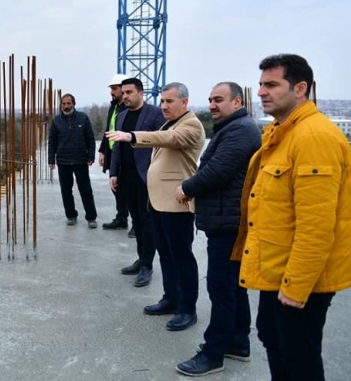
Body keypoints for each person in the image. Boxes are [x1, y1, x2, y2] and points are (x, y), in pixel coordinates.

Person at [231, 54, 351, 381]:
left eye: (271, 84)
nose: (261, 92)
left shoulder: (313, 138)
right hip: (278, 268)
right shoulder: (282, 132)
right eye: (260, 84)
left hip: (302, 279)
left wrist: (297, 287)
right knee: (274, 340)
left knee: (298, 358)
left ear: (300, 88)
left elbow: (317, 226)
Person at [174, 82, 261, 376]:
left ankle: (215, 353)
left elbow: (218, 170)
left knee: (221, 287)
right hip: (226, 219)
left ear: (237, 102)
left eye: (219, 99)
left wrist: (186, 187)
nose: (212, 104)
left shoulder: (240, 130)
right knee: (233, 286)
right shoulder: (233, 127)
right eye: (210, 99)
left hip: (229, 221)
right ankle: (238, 342)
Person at [107, 82, 205, 331]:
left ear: (184, 102)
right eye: (162, 101)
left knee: (181, 257)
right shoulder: (168, 122)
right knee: (166, 255)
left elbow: (169, 140)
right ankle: (171, 299)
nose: (164, 106)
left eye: (169, 101)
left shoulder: (190, 125)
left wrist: (133, 136)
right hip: (160, 202)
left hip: (177, 203)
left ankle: (187, 309)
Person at [108, 78, 165, 287]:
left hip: (147, 176)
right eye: (123, 93)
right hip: (127, 176)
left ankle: (147, 265)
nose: (125, 96)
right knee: (136, 220)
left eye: (129, 92)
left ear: (141, 93)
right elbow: (117, 146)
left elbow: (161, 140)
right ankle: (141, 258)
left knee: (147, 220)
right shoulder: (122, 116)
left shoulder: (155, 114)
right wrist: (114, 172)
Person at [48, 93, 98, 229]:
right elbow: (52, 142)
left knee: (86, 190)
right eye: (63, 104)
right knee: (66, 190)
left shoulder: (83, 118)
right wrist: (51, 160)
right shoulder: (56, 121)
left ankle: (91, 217)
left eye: (68, 103)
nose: (66, 106)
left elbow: (90, 139)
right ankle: (71, 216)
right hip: (63, 162)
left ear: (74, 104)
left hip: (81, 161)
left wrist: (91, 157)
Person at [98, 73, 133, 235]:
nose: (112, 92)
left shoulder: (129, 108)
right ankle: (122, 218)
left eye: (114, 89)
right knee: (116, 186)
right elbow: (109, 129)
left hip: (127, 153)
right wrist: (103, 150)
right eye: (111, 89)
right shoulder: (114, 107)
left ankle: (136, 223)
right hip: (113, 151)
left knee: (130, 188)